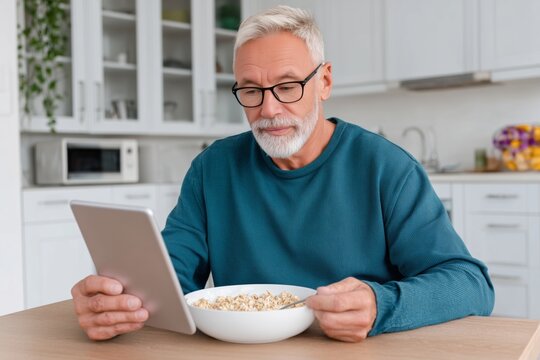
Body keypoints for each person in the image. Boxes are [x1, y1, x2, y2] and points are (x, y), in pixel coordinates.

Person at [71, 5, 494, 343]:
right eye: (251, 90)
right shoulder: (212, 169)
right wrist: (117, 302)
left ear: (324, 81)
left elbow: (470, 284)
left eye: (288, 86)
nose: (268, 110)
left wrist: (379, 304)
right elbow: (171, 279)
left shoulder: (386, 167)